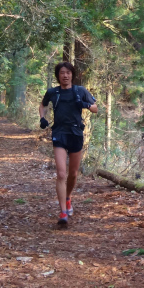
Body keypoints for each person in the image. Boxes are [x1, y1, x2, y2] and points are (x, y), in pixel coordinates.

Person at [39, 61, 97, 227]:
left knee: (73, 174)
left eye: (68, 72)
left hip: (76, 134)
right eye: (62, 73)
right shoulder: (53, 92)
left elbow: (95, 108)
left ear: (72, 74)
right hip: (59, 134)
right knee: (61, 174)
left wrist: (85, 104)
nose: (65, 75)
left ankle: (68, 197)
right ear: (58, 75)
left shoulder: (80, 91)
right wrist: (42, 118)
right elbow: (42, 105)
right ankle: (63, 212)